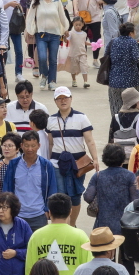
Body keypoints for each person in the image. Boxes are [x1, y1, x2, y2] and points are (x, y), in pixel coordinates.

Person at [47, 86, 100, 228]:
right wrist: (47, 162)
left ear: (71, 99)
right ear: (55, 101)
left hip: (78, 164)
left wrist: (95, 159)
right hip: (56, 164)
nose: (63, 101)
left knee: (75, 195)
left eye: (65, 97)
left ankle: (72, 224)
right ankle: (64, 224)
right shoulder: (51, 120)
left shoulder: (81, 118)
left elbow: (90, 141)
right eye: (59, 98)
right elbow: (50, 144)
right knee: (61, 195)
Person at [2, 131, 58, 231]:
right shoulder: (14, 164)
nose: (30, 149)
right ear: (21, 146)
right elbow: (7, 188)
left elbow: (52, 188)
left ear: (39, 146)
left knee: (39, 245)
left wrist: (47, 209)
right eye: (27, 145)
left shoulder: (46, 165)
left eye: (33, 145)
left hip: (39, 215)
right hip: (17, 215)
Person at [26, 0, 69, 90]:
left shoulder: (57, 1)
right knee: (42, 57)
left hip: (55, 34)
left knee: (53, 59)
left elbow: (62, 16)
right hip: (41, 34)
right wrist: (29, 30)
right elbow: (30, 16)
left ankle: (52, 81)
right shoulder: (37, 1)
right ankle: (44, 75)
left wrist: (65, 29)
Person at [84, 142, 139, 228]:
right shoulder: (130, 175)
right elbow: (135, 199)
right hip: (124, 223)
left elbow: (88, 197)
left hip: (103, 224)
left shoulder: (98, 176)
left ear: (104, 158)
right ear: (123, 158)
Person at [71, 0, 102, 68]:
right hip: (82, 16)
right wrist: (75, 9)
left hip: (95, 15)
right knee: (81, 38)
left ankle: (95, 59)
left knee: (96, 38)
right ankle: (82, 59)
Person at [66, 16, 90, 89]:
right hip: (73, 54)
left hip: (82, 53)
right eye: (76, 25)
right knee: (73, 68)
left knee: (84, 67)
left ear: (82, 24)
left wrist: (91, 44)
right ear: (73, 24)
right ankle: (74, 80)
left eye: (79, 25)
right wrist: (65, 36)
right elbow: (66, 41)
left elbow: (83, 42)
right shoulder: (71, 33)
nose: (78, 26)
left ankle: (85, 81)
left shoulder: (84, 34)